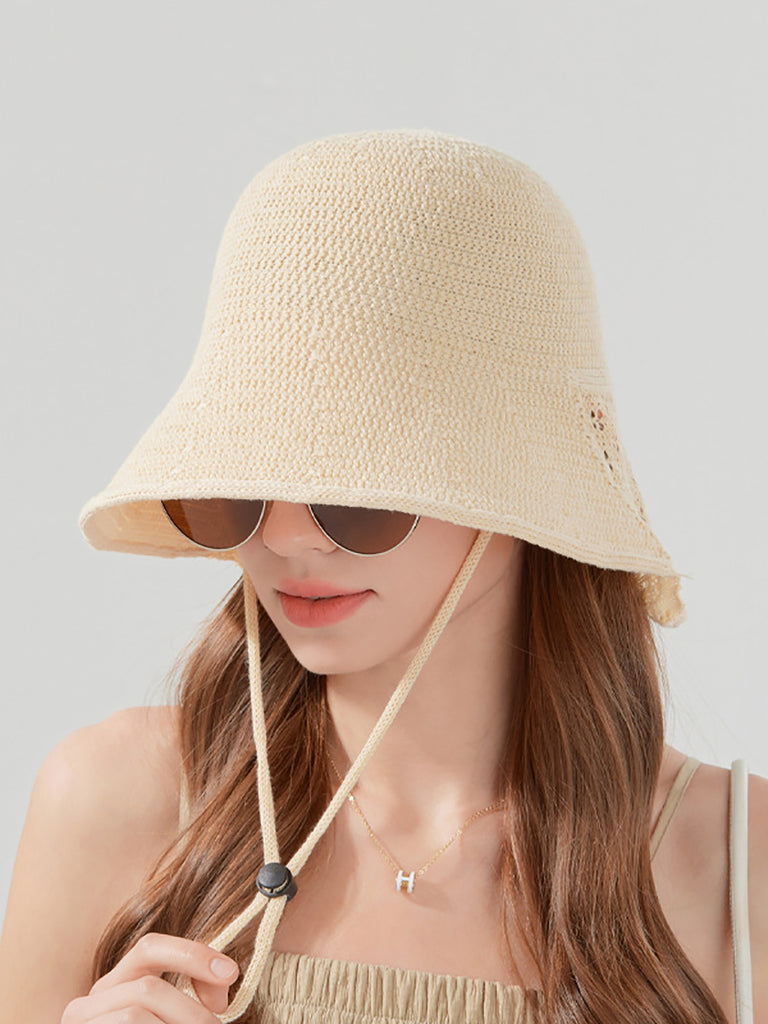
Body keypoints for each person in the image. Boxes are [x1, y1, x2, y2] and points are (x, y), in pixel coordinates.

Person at [0, 129, 764, 1024]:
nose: (286, 538)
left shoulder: (736, 864)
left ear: (517, 484)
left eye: (357, 492)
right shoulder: (118, 801)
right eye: (237, 490)